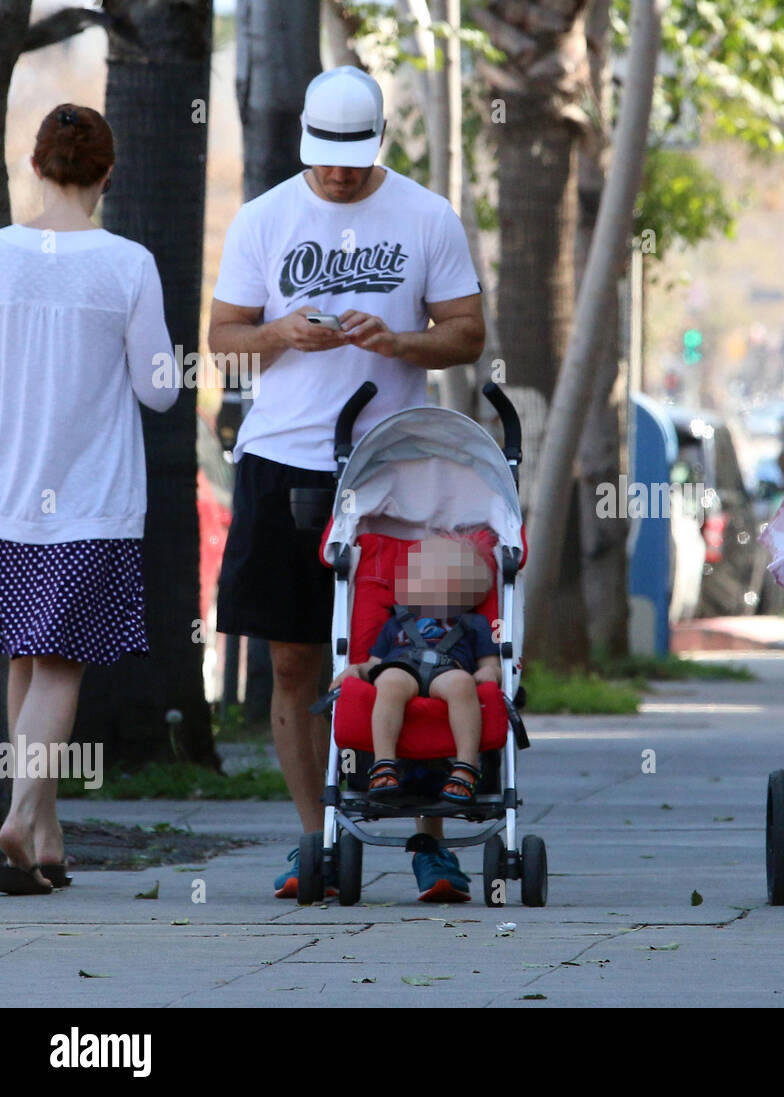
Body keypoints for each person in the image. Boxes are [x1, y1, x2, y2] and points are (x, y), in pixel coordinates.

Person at [208, 66, 486, 900]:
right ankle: (312, 837)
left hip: (397, 468)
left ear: (379, 147)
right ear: (305, 145)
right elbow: (221, 339)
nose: (336, 176)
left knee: (418, 652)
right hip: (283, 460)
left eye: (352, 161)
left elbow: (469, 332)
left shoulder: (426, 215)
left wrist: (401, 343)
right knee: (293, 660)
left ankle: (430, 838)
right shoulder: (263, 218)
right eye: (324, 160)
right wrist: (282, 332)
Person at [0, 105, 178, 894]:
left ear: (36, 167)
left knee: (25, 655)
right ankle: (19, 810)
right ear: (107, 175)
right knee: (62, 665)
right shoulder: (128, 264)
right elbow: (159, 392)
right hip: (92, 501)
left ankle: (44, 833)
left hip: (7, 497)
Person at [329, 534, 500, 807]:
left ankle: (466, 766)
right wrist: (357, 670)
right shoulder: (396, 622)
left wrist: (491, 673)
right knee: (389, 682)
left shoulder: (475, 623)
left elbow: (490, 664)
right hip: (400, 665)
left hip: (449, 669)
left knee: (462, 685)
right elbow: (374, 662)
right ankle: (384, 763)